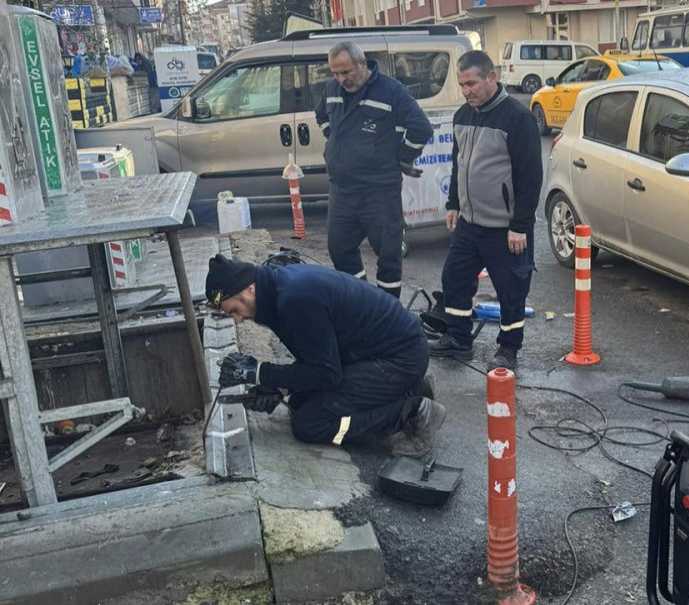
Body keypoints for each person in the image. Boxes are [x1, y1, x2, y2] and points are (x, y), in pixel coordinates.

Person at [205, 253, 445, 457]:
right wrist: (279, 388)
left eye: (235, 310)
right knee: (299, 403)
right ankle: (410, 387)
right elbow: (315, 354)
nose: (238, 319)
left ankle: (413, 412)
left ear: (249, 289)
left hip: (399, 359)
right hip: (377, 353)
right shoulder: (278, 290)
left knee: (311, 424)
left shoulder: (295, 300)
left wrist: (261, 373)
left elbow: (326, 373)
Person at [429, 51, 543, 371]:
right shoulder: (462, 115)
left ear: (491, 77)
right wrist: (454, 203)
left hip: (505, 228)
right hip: (469, 223)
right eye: (462, 84)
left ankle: (508, 349)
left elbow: (531, 178)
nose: (466, 91)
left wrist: (520, 225)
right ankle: (459, 339)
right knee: (455, 279)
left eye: (472, 83)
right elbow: (458, 164)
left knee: (511, 291)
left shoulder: (517, 119)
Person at [315, 41, 433, 298]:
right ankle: (362, 301)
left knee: (388, 255)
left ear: (362, 64)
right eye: (335, 73)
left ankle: (388, 310)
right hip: (342, 190)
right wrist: (334, 141)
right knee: (339, 249)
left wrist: (401, 157)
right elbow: (321, 116)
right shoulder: (332, 89)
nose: (340, 79)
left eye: (346, 72)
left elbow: (421, 128)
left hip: (379, 190)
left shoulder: (391, 91)